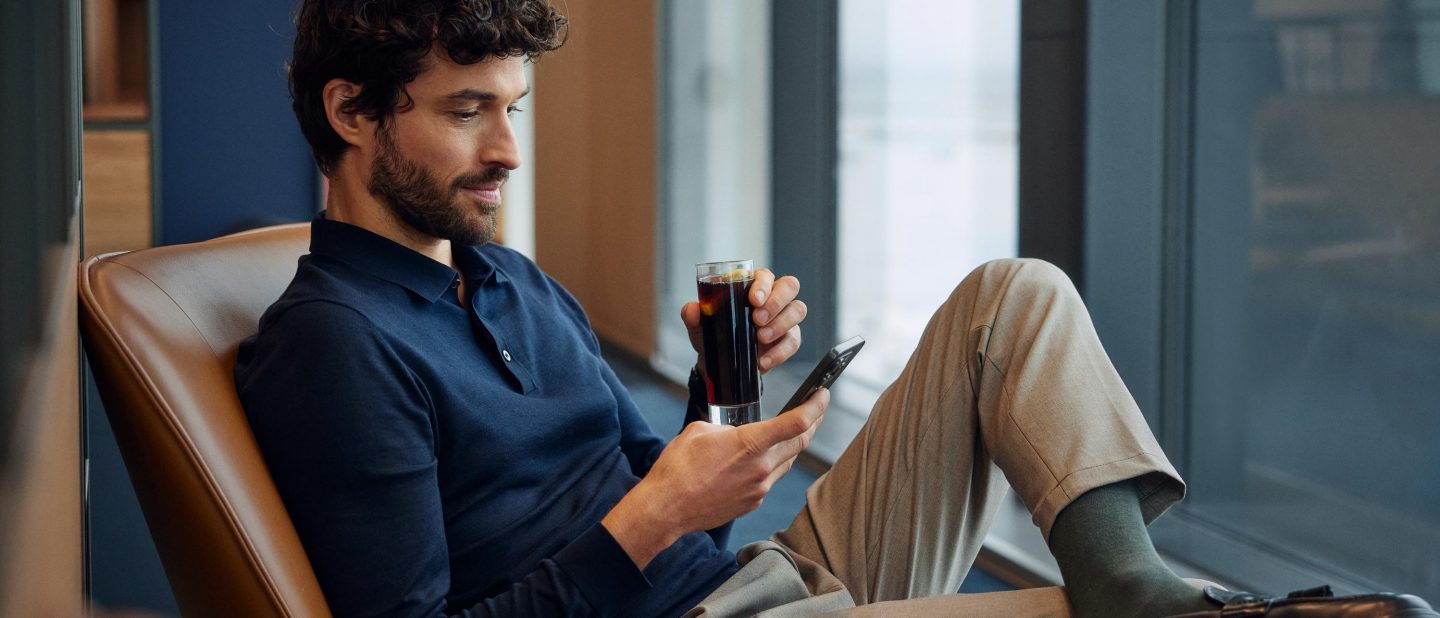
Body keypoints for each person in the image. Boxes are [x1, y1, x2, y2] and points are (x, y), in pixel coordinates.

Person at [235, 2, 1438, 617]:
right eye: (465, 112)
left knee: (1011, 299)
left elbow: (635, 471)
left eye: (517, 110)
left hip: (756, 577)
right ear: (352, 113)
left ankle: (1134, 588)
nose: (506, 150)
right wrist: (659, 518)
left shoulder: (502, 274)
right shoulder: (335, 345)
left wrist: (726, 389)